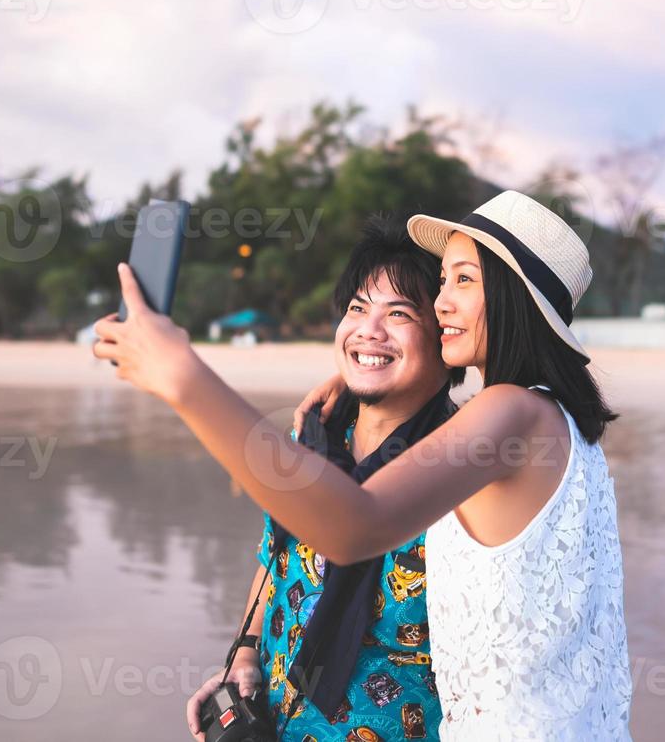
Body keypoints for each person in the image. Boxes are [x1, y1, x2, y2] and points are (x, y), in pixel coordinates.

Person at [97, 191, 631, 740]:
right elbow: (277, 559)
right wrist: (247, 651)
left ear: (512, 295)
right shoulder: (547, 420)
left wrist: (180, 376)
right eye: (444, 281)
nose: (445, 301)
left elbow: (355, 526)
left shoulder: (511, 416)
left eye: (463, 281)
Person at [183, 215, 462, 741]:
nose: (368, 329)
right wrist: (243, 656)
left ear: (446, 336)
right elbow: (273, 560)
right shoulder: (311, 439)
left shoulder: (464, 467)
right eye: (358, 308)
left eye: (398, 313)